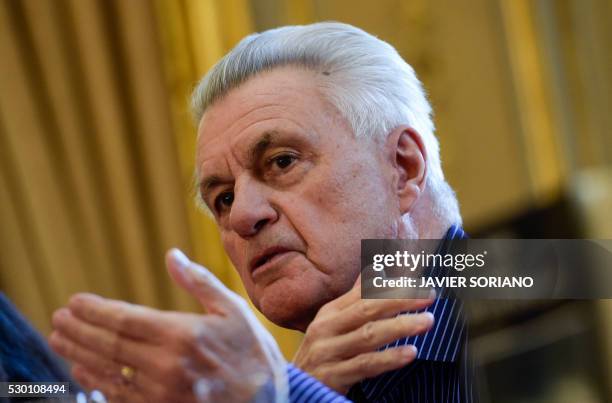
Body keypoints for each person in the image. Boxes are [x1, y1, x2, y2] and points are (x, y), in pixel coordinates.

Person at [49, 22, 474, 402]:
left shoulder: (530, 287)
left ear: (403, 167)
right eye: (224, 198)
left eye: (282, 162)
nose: (242, 216)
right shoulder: (312, 378)